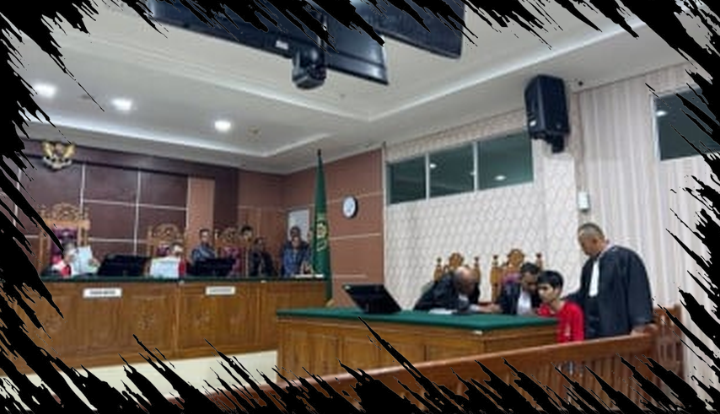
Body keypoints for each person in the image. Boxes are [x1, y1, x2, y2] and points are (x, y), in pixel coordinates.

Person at [566, 223, 654, 339]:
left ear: (595, 240)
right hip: (594, 331)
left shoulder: (625, 258)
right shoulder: (588, 266)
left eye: (583, 245)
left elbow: (637, 291)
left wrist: (639, 324)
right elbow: (584, 294)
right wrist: (561, 302)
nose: (582, 249)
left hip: (619, 328)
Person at [536, 270, 585, 343]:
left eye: (545, 289)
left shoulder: (573, 311)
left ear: (557, 290)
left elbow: (578, 341)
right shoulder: (542, 312)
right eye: (539, 289)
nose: (540, 293)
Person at [414, 265, 480, 312]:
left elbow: (472, 303)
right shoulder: (445, 283)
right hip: (424, 312)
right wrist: (475, 308)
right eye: (468, 285)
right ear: (458, 284)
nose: (472, 288)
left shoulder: (474, 287)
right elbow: (447, 303)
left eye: (473, 283)